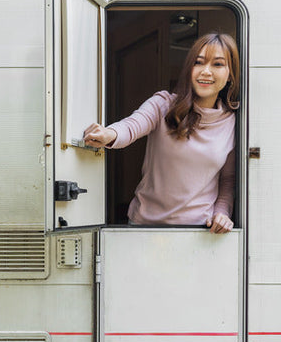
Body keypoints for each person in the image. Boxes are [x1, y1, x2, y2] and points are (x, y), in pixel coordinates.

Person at [82, 32, 239, 234]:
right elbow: (130, 126)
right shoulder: (163, 104)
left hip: (199, 232)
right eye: (199, 63)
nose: (206, 71)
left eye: (217, 64)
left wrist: (223, 213)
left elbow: (227, 180)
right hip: (143, 227)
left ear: (230, 75)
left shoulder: (232, 123)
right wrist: (108, 134)